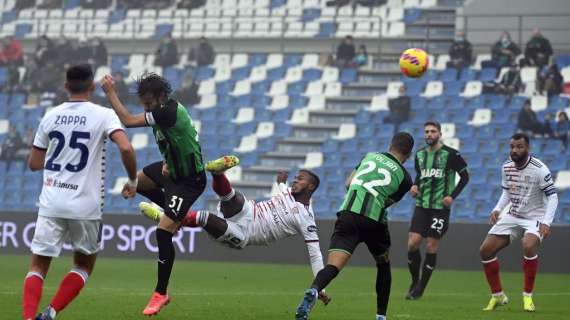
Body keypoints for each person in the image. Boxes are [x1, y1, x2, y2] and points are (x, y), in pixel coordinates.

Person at [22, 64, 138, 320]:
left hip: (51, 202)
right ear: (92, 87)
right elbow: (127, 149)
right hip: (85, 206)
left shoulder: (51, 115)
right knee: (84, 265)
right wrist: (132, 180)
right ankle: (50, 313)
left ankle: (28, 318)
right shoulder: (104, 115)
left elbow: (34, 164)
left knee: (38, 267)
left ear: (66, 86)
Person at [141, 158, 331, 303]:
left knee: (204, 218)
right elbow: (282, 188)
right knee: (233, 197)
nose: (295, 181)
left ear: (311, 186)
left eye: (301, 179)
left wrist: (319, 286)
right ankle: (217, 173)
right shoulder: (288, 192)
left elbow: (315, 255)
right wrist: (281, 181)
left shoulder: (306, 218)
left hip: (243, 234)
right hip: (249, 211)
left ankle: (170, 218)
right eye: (296, 178)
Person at [100, 72, 207, 316]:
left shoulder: (167, 112)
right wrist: (169, 161)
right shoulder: (162, 111)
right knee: (135, 185)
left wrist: (110, 92)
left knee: (162, 231)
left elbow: (126, 120)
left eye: (148, 103)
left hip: (189, 181)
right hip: (172, 171)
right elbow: (180, 141)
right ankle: (176, 214)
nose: (146, 108)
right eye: (143, 104)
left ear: (161, 97)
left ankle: (161, 292)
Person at [295, 132, 415, 320]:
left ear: (390, 145)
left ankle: (314, 289)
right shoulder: (406, 178)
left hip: (348, 215)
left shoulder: (370, 156)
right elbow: (387, 202)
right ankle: (381, 316)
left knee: (333, 267)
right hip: (373, 221)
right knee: (383, 265)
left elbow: (349, 182)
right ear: (408, 154)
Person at [479, 133, 558, 312]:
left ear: (527, 148)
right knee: (485, 250)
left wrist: (547, 222)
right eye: (512, 146)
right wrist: (497, 209)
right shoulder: (506, 166)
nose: (515, 150)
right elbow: (507, 191)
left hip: (536, 217)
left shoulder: (539, 168)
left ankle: (527, 297)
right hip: (513, 214)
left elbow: (553, 196)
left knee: (528, 245)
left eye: (519, 146)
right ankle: (497, 296)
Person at [406, 121, 469, 300]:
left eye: (433, 131)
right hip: (422, 205)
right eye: (426, 131)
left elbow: (465, 176)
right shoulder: (419, 155)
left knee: (431, 246)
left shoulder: (451, 154)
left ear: (440, 134)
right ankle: (414, 280)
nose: (429, 134)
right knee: (412, 243)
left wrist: (452, 196)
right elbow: (420, 175)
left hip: (440, 209)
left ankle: (420, 289)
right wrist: (415, 186)